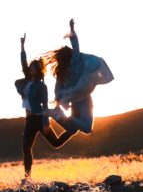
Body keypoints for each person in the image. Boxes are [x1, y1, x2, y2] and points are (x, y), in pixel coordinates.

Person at [44, 18, 114, 147]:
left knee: (74, 129)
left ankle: (58, 115)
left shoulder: (61, 72)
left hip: (75, 101)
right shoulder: (75, 60)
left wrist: (59, 100)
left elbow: (57, 88)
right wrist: (72, 29)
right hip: (85, 99)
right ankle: (58, 115)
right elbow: (75, 44)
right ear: (70, 55)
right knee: (86, 128)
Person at [19, 33, 60, 179]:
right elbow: (23, 63)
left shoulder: (42, 87)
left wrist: (46, 123)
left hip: (39, 119)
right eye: (30, 67)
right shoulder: (27, 81)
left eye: (34, 67)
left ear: (39, 70)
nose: (30, 69)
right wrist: (22, 46)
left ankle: (72, 130)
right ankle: (27, 178)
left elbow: (44, 105)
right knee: (26, 148)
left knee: (56, 144)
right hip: (29, 121)